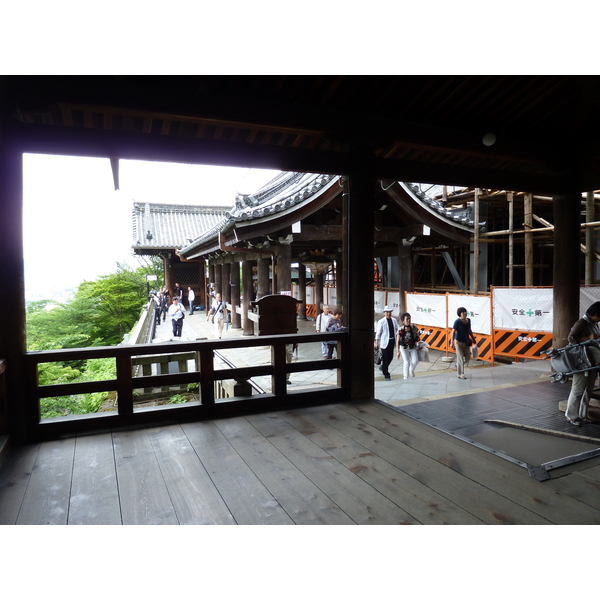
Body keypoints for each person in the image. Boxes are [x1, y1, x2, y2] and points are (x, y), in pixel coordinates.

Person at [564, 302, 600, 426]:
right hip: (581, 361)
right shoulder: (582, 323)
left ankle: (582, 415)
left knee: (588, 389)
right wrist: (588, 338)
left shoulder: (593, 323)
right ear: (594, 314)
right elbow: (571, 338)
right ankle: (571, 416)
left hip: (592, 361)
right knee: (578, 389)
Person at [375, 306, 400, 381]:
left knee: (391, 357)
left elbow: (397, 329)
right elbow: (378, 333)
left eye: (390, 312)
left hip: (392, 341)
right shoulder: (381, 321)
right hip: (384, 342)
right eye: (387, 312)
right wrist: (377, 342)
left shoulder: (394, 320)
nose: (388, 314)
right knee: (385, 358)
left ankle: (383, 367)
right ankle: (386, 374)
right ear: (384, 313)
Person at [451, 306, 476, 379]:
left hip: (466, 342)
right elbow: (453, 332)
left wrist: (472, 337)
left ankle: (458, 364)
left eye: (465, 311)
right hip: (458, 342)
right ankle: (461, 374)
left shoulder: (468, 320)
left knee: (468, 358)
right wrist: (452, 342)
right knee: (460, 358)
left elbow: (469, 330)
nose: (464, 313)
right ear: (459, 314)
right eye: (462, 312)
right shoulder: (457, 322)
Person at [397, 312, 420, 379]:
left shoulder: (414, 327)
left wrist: (419, 343)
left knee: (415, 361)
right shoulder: (400, 329)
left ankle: (411, 370)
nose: (409, 320)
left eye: (409, 319)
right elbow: (397, 341)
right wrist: (397, 351)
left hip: (412, 347)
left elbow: (418, 337)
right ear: (403, 321)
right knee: (407, 362)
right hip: (404, 348)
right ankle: (405, 377)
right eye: (407, 319)